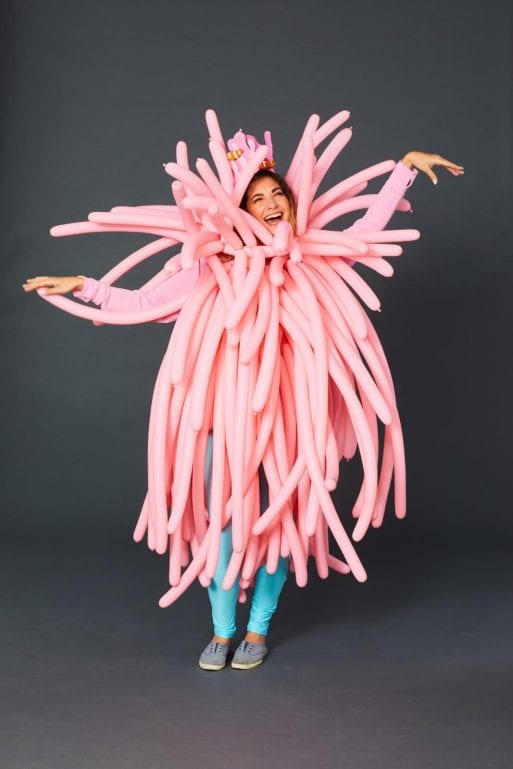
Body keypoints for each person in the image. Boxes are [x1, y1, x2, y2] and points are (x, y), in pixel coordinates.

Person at [23, 136, 464, 671]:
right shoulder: (212, 268)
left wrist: (403, 171)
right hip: (219, 418)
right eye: (257, 198)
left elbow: (365, 237)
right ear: (238, 210)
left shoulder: (313, 258)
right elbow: (143, 303)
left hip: (289, 420)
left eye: (277, 193)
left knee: (279, 523)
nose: (271, 203)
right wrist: (86, 287)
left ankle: (258, 629)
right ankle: (222, 630)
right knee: (222, 526)